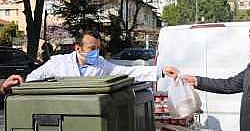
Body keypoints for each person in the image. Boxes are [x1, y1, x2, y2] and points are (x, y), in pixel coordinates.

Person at [26, 30, 173, 82]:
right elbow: (32, 79)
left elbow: (127, 72)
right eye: (92, 48)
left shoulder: (101, 64)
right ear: (78, 48)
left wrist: (160, 71)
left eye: (98, 48)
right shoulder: (57, 63)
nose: (96, 52)